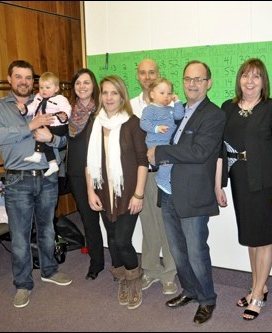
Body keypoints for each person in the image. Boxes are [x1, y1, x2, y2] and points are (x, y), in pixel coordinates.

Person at [0, 60, 72, 309]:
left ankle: (49, 270)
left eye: (28, 77)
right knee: (20, 236)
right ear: (9, 79)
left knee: (47, 228)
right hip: (17, 178)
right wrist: (29, 126)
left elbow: (63, 139)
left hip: (47, 176)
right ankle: (23, 284)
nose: (24, 81)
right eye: (18, 77)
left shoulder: (47, 100)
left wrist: (52, 138)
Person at [147, 60, 226, 324]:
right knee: (178, 250)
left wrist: (160, 152)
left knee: (195, 251)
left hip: (193, 194)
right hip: (168, 189)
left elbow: (200, 152)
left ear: (208, 83)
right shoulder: (174, 111)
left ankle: (207, 299)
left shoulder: (214, 114)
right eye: (188, 79)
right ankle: (190, 290)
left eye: (198, 79)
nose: (192, 84)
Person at [216, 58, 272, 321]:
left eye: (256, 76)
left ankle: (258, 294)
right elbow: (219, 149)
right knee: (251, 237)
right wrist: (219, 184)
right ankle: (259, 285)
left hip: (267, 182)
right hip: (240, 180)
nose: (250, 81)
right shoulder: (228, 107)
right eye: (246, 75)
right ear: (239, 79)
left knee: (265, 238)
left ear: (263, 82)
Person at [85, 75, 148, 310]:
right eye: (105, 92)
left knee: (122, 240)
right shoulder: (96, 123)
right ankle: (121, 277)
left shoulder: (133, 123)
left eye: (114, 93)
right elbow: (89, 163)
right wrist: (91, 192)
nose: (109, 97)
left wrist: (139, 194)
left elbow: (143, 162)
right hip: (103, 192)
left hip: (127, 193)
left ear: (122, 96)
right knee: (111, 239)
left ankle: (134, 277)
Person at [130, 59, 178, 295]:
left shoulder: (169, 105)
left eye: (152, 72)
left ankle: (169, 273)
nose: (147, 76)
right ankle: (150, 270)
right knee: (148, 224)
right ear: (138, 76)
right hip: (142, 175)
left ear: (158, 75)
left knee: (168, 225)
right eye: (143, 73)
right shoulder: (130, 106)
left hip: (166, 171)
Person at [67, 68, 109, 281]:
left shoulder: (101, 111)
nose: (82, 86)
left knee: (109, 219)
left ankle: (119, 263)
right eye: (78, 83)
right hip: (75, 172)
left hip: (100, 173)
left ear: (94, 86)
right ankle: (96, 262)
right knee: (88, 219)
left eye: (86, 82)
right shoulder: (67, 112)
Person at [17, 72, 72, 177]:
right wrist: (24, 109)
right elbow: (32, 107)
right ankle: (51, 163)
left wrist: (64, 115)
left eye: (47, 87)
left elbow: (67, 108)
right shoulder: (38, 97)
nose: (44, 90)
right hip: (44, 125)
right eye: (41, 87)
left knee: (44, 137)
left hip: (57, 125)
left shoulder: (60, 99)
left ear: (56, 89)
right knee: (43, 139)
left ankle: (40, 156)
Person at [140, 77, 185, 194]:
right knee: (167, 161)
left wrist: (177, 102)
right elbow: (143, 123)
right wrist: (156, 128)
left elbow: (179, 116)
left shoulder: (170, 108)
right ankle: (161, 179)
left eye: (169, 93)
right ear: (152, 94)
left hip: (167, 143)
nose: (166, 96)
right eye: (162, 93)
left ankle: (165, 178)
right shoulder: (150, 109)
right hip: (156, 142)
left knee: (172, 160)